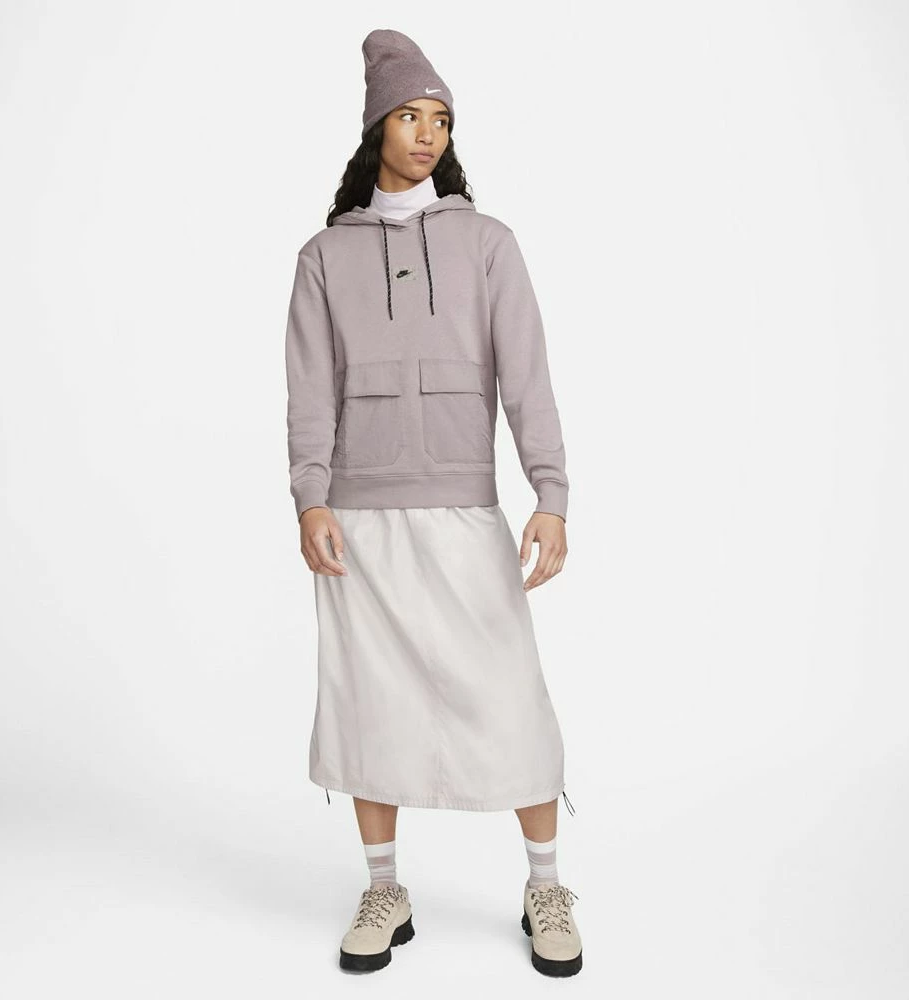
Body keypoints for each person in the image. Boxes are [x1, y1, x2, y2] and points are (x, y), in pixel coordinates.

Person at [284, 28, 582, 978]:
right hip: (359, 521)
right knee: (370, 705)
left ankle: (545, 886)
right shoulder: (324, 257)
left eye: (441, 119)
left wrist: (550, 493)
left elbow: (526, 375)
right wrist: (310, 498)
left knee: (510, 701)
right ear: (377, 125)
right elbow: (310, 391)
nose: (426, 133)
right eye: (410, 115)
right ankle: (385, 887)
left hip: (462, 509)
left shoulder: (488, 245)